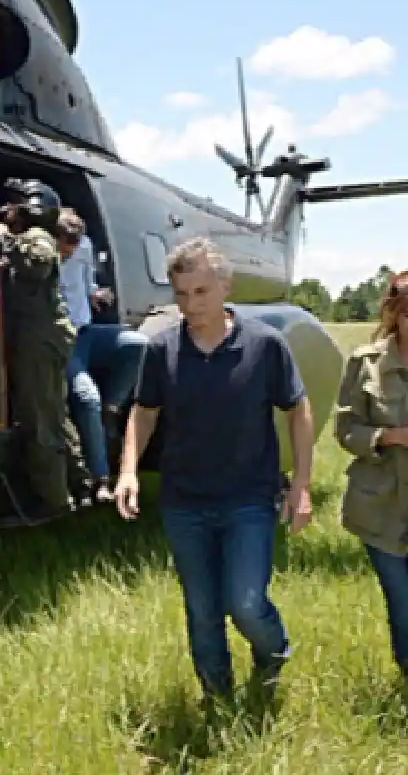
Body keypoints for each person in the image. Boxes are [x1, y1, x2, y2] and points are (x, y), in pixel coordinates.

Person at [113, 236, 315, 702]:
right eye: (181, 294)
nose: (190, 305)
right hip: (185, 503)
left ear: (225, 286)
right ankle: (218, 699)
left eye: (201, 292)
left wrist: (301, 486)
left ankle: (273, 654)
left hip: (249, 499)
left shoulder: (265, 345)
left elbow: (297, 409)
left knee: (245, 602)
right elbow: (144, 412)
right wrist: (128, 470)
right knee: (202, 611)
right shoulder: (162, 350)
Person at [0, 177, 83, 517]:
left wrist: (4, 242)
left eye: (11, 203)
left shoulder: (35, 237)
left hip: (39, 338)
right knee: (53, 414)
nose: (4, 210)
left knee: (40, 420)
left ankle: (54, 502)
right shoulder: (31, 237)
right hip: (43, 337)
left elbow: (39, 265)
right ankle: (79, 483)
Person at [334, 270, 408, 680]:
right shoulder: (365, 364)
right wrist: (388, 436)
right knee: (402, 606)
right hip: (381, 509)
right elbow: (345, 431)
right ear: (396, 315)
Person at [55, 208, 148, 504]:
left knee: (138, 343)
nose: (67, 255)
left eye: (72, 248)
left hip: (87, 330)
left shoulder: (83, 246)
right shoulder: (39, 254)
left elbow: (85, 280)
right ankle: (101, 478)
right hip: (63, 338)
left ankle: (113, 407)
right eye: (63, 250)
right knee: (86, 397)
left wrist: (94, 293)